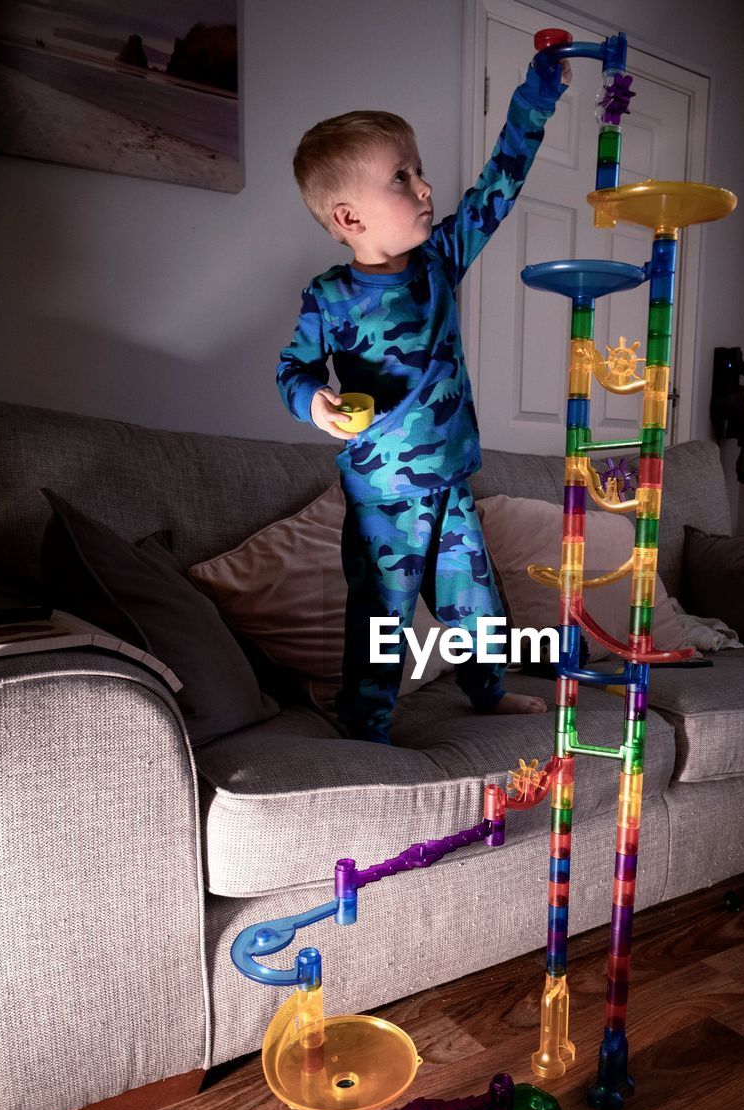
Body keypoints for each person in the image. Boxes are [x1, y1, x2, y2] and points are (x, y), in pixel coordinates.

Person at [277, 54, 570, 743]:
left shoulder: (439, 261)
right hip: (383, 495)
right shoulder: (330, 297)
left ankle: (486, 689)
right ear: (349, 216)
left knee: (476, 605)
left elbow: (500, 182)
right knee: (384, 613)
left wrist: (538, 96)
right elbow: (293, 367)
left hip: (452, 483)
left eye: (418, 168)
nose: (425, 185)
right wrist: (315, 403)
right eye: (401, 178)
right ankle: (367, 718)